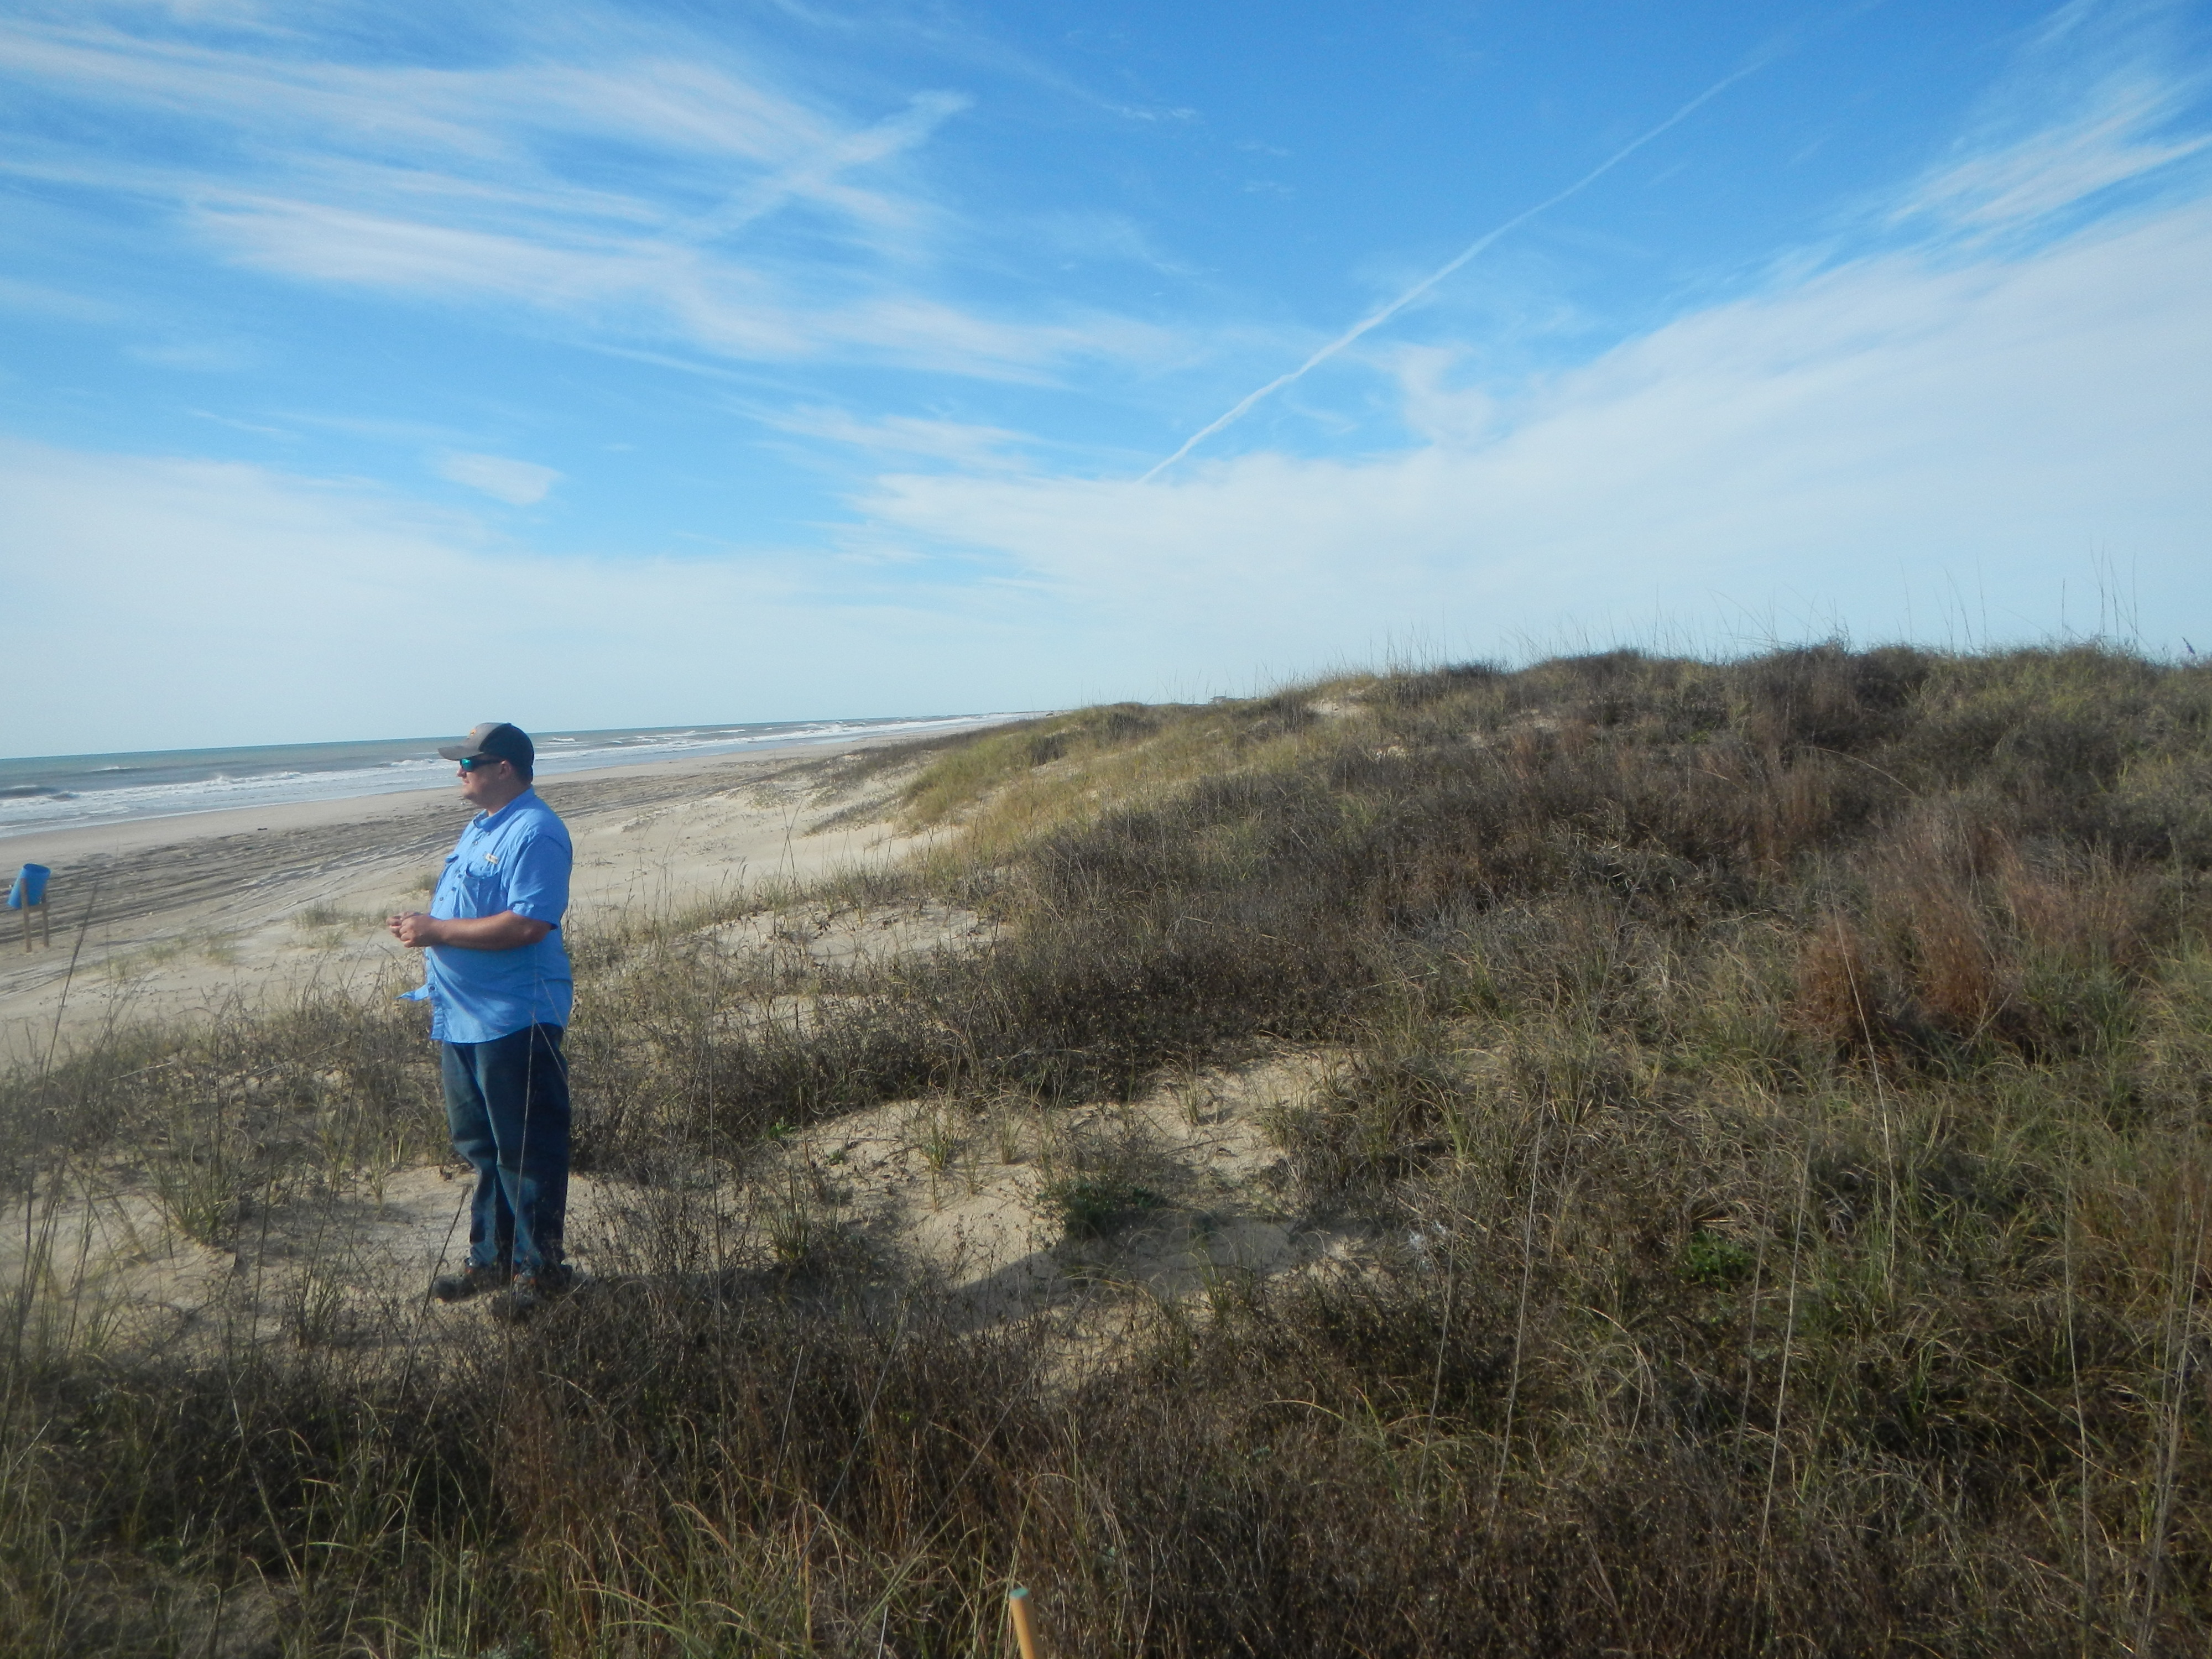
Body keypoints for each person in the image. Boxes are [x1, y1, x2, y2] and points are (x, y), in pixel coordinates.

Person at [388, 722, 576, 1322]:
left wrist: (438, 930)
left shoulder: (536, 831)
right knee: (483, 1147)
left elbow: (528, 924)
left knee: (527, 1148)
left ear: (504, 768)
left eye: (469, 762)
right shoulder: (481, 827)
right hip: (461, 1018)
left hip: (514, 1017)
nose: (459, 771)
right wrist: (423, 926)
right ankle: (490, 1259)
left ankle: (540, 1272)